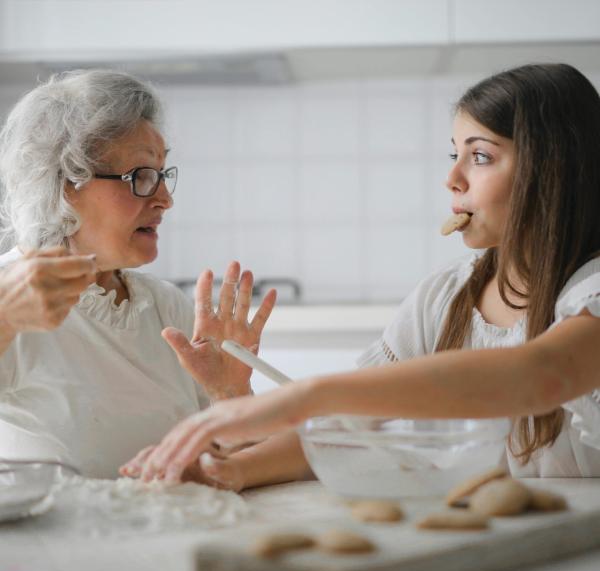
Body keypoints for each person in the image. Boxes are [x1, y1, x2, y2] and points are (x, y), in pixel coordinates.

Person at [123, 63, 600, 487]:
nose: (452, 178)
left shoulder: (591, 292)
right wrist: (233, 470)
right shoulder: (445, 296)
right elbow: (352, 425)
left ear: (552, 168)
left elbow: (544, 374)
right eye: (453, 154)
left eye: (480, 156)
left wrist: (310, 395)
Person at [0, 70, 275, 478]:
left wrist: (230, 394)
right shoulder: (10, 297)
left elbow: (232, 467)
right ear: (62, 184)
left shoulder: (166, 306)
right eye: (141, 177)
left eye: (163, 175)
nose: (165, 199)